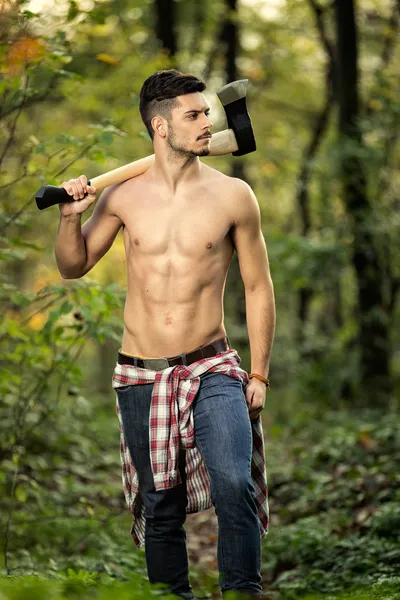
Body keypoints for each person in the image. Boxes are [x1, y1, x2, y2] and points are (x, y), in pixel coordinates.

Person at [55, 69, 276, 599]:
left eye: (207, 113)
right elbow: (73, 265)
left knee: (234, 483)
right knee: (160, 505)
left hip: (212, 366)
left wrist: (260, 373)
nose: (207, 123)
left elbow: (258, 286)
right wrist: (69, 217)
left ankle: (242, 592)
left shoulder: (233, 195)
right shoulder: (122, 198)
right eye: (194, 115)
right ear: (159, 126)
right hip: (141, 372)